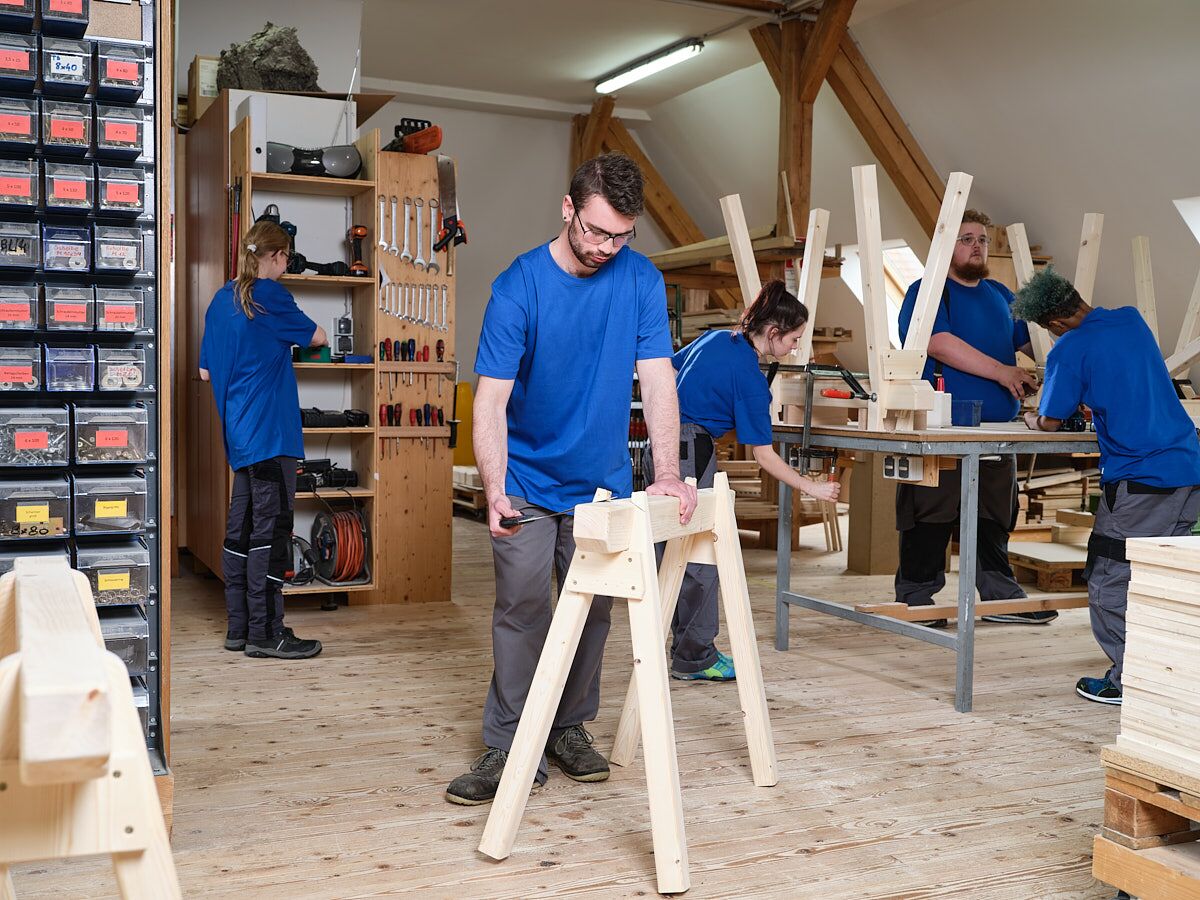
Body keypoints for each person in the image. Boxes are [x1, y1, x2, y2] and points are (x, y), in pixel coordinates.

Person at [445, 153, 697, 806]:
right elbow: (491, 402)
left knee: (592, 616)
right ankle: (507, 743)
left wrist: (667, 473)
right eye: (594, 231)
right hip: (526, 480)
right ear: (568, 209)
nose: (606, 248)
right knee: (524, 607)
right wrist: (495, 489)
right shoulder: (518, 287)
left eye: (621, 235)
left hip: (603, 484)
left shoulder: (641, 281)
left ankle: (566, 728)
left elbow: (658, 379)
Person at [1015, 266, 1200, 705]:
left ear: (1055, 325)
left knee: (1110, 579)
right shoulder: (1132, 319)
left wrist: (1031, 417)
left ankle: (1129, 682)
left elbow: (1050, 420)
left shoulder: (1071, 347)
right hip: (1189, 470)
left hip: (1141, 481)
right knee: (1166, 579)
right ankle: (1171, 674)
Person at [643, 280, 840, 682]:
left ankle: (682, 652)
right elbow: (764, 455)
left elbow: (666, 369)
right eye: (794, 339)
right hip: (690, 451)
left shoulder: (717, 338)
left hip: (658, 445)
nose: (795, 348)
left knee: (671, 554)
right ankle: (694, 658)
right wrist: (810, 486)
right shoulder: (750, 379)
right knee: (700, 557)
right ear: (773, 333)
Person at [894, 209, 1053, 627]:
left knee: (996, 511)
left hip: (999, 428)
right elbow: (939, 343)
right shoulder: (927, 292)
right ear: (947, 246)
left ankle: (1000, 592)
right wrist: (1003, 371)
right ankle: (916, 596)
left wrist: (1061, 353)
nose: (976, 246)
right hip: (942, 427)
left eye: (981, 239)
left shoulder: (1001, 294)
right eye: (966, 239)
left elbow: (1033, 342)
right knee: (931, 510)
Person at [199, 221, 328, 661]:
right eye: (286, 257)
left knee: (242, 531)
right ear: (274, 257)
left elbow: (205, 371)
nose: (287, 265)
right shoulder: (269, 295)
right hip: (272, 434)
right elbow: (318, 337)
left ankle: (239, 628)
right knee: (272, 533)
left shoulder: (220, 301)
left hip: (238, 435)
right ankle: (267, 632)